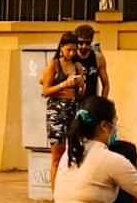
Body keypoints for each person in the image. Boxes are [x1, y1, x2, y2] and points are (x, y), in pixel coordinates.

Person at [40, 31, 97, 181]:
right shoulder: (54, 64)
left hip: (72, 108)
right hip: (56, 111)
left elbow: (80, 94)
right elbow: (45, 91)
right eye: (68, 50)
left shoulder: (77, 66)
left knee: (72, 152)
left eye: (74, 50)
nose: (71, 53)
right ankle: (55, 193)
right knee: (57, 157)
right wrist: (63, 84)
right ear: (61, 48)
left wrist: (80, 87)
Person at [73, 24, 110, 99]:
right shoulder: (71, 56)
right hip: (73, 102)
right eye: (80, 43)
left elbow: (106, 85)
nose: (84, 46)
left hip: (91, 102)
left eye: (87, 43)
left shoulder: (98, 57)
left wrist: (102, 102)